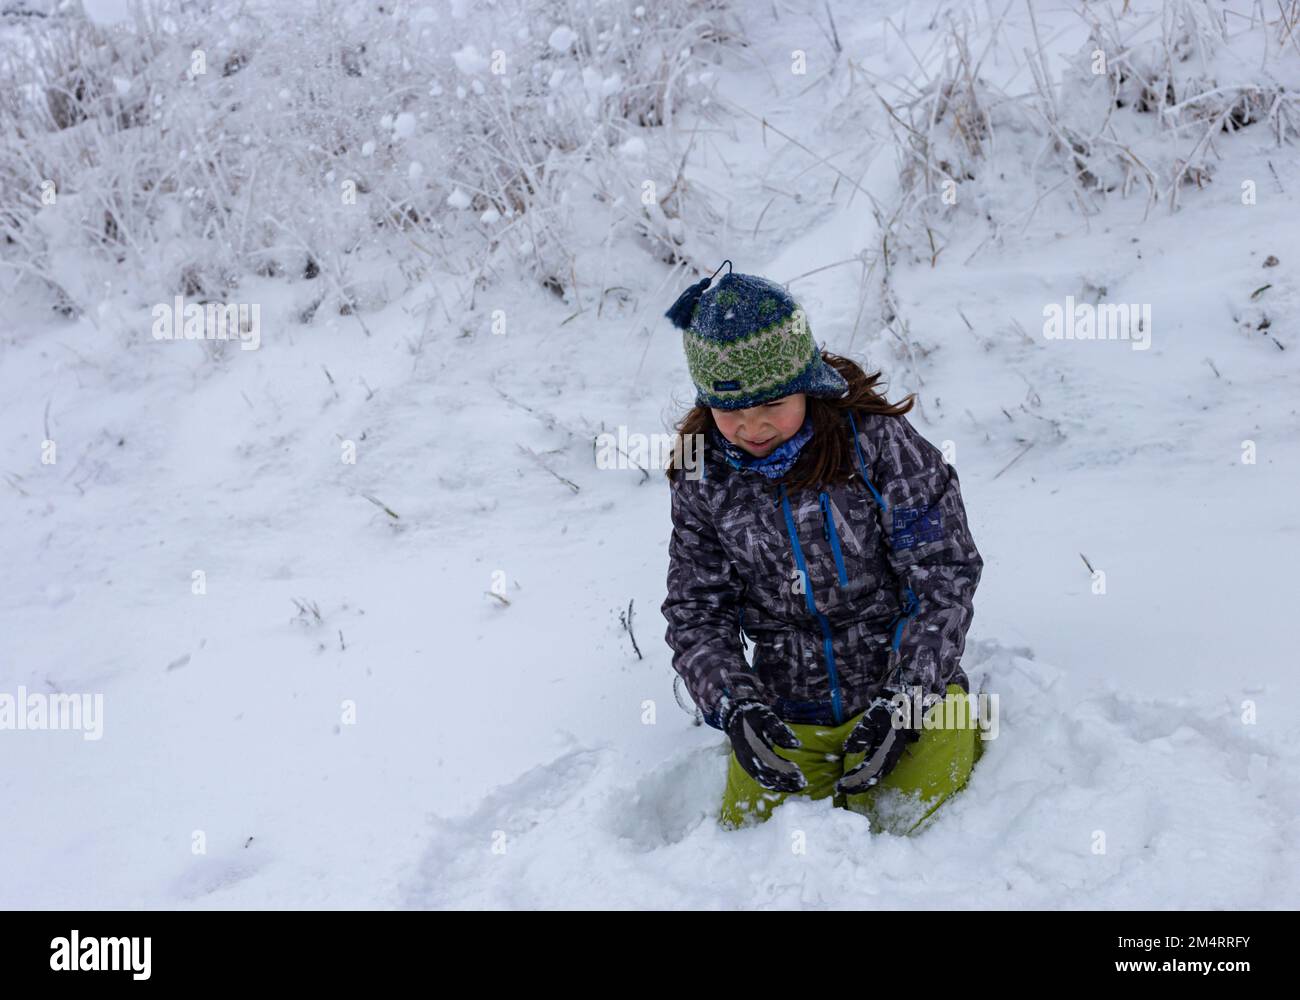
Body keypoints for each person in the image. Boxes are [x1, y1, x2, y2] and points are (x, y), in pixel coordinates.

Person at [660, 261, 986, 835]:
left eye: (772, 405)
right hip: (790, 713)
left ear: (807, 384)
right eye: (731, 410)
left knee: (910, 835)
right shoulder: (702, 473)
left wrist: (905, 703)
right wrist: (737, 709)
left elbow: (944, 575)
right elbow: (697, 612)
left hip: (911, 697)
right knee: (761, 848)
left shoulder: (878, 445)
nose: (752, 427)